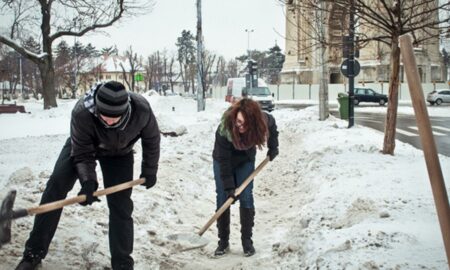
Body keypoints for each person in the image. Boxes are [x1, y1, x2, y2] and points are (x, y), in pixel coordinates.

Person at [16, 81, 160, 270]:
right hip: (83, 146)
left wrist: (150, 170)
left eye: (115, 118)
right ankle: (33, 254)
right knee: (55, 186)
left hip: (120, 153)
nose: (109, 122)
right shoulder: (82, 112)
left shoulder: (141, 109)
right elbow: (83, 154)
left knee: (121, 205)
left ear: (125, 111)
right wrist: (88, 182)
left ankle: (122, 264)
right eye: (104, 116)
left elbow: (152, 139)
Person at [212, 98, 279, 257]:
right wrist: (229, 187)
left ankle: (247, 242)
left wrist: (273, 146)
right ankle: (223, 242)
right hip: (223, 160)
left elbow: (273, 125)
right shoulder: (225, 128)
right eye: (237, 122)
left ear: (252, 120)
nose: (239, 125)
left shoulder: (261, 120)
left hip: (245, 160)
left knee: (246, 196)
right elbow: (224, 161)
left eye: (243, 122)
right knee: (223, 197)